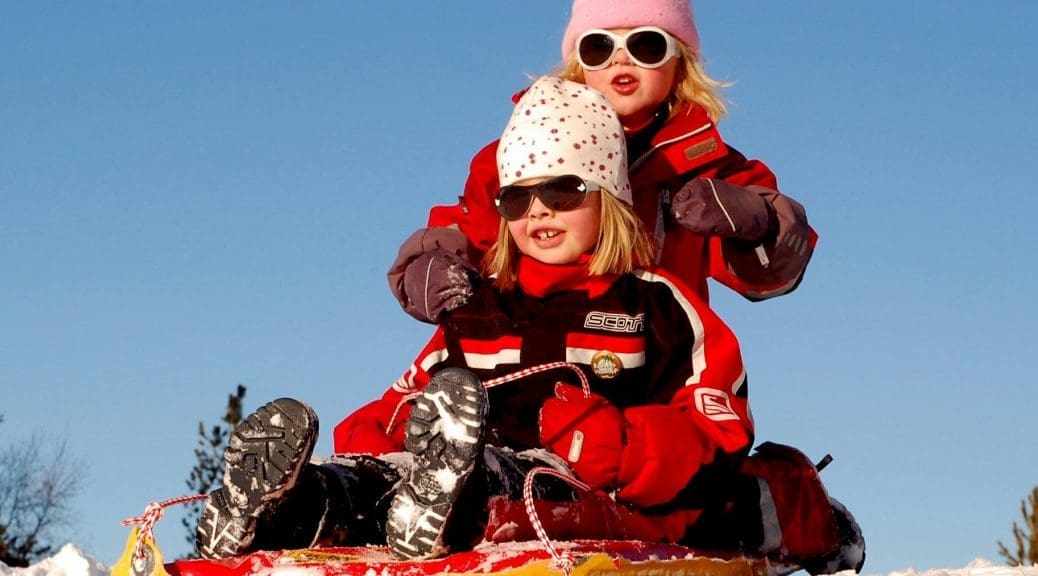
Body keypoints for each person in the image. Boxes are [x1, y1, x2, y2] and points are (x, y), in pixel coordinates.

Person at [195, 77, 863, 574]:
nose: (540, 209)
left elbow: (718, 432)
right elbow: (401, 398)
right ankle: (292, 506)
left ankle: (443, 498)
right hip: (448, 467)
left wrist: (622, 444)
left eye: (564, 190)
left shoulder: (655, 304)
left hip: (575, 486)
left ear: (610, 200)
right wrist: (384, 434)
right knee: (381, 479)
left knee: (507, 485)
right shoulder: (482, 308)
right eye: (519, 197)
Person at [389, 0, 817, 326]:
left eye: (646, 44)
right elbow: (474, 228)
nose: (621, 58)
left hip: (658, 353)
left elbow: (771, 274)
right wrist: (430, 267)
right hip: (537, 340)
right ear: (579, 63)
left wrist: (756, 221)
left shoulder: (707, 165)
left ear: (679, 61)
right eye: (599, 46)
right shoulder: (525, 150)